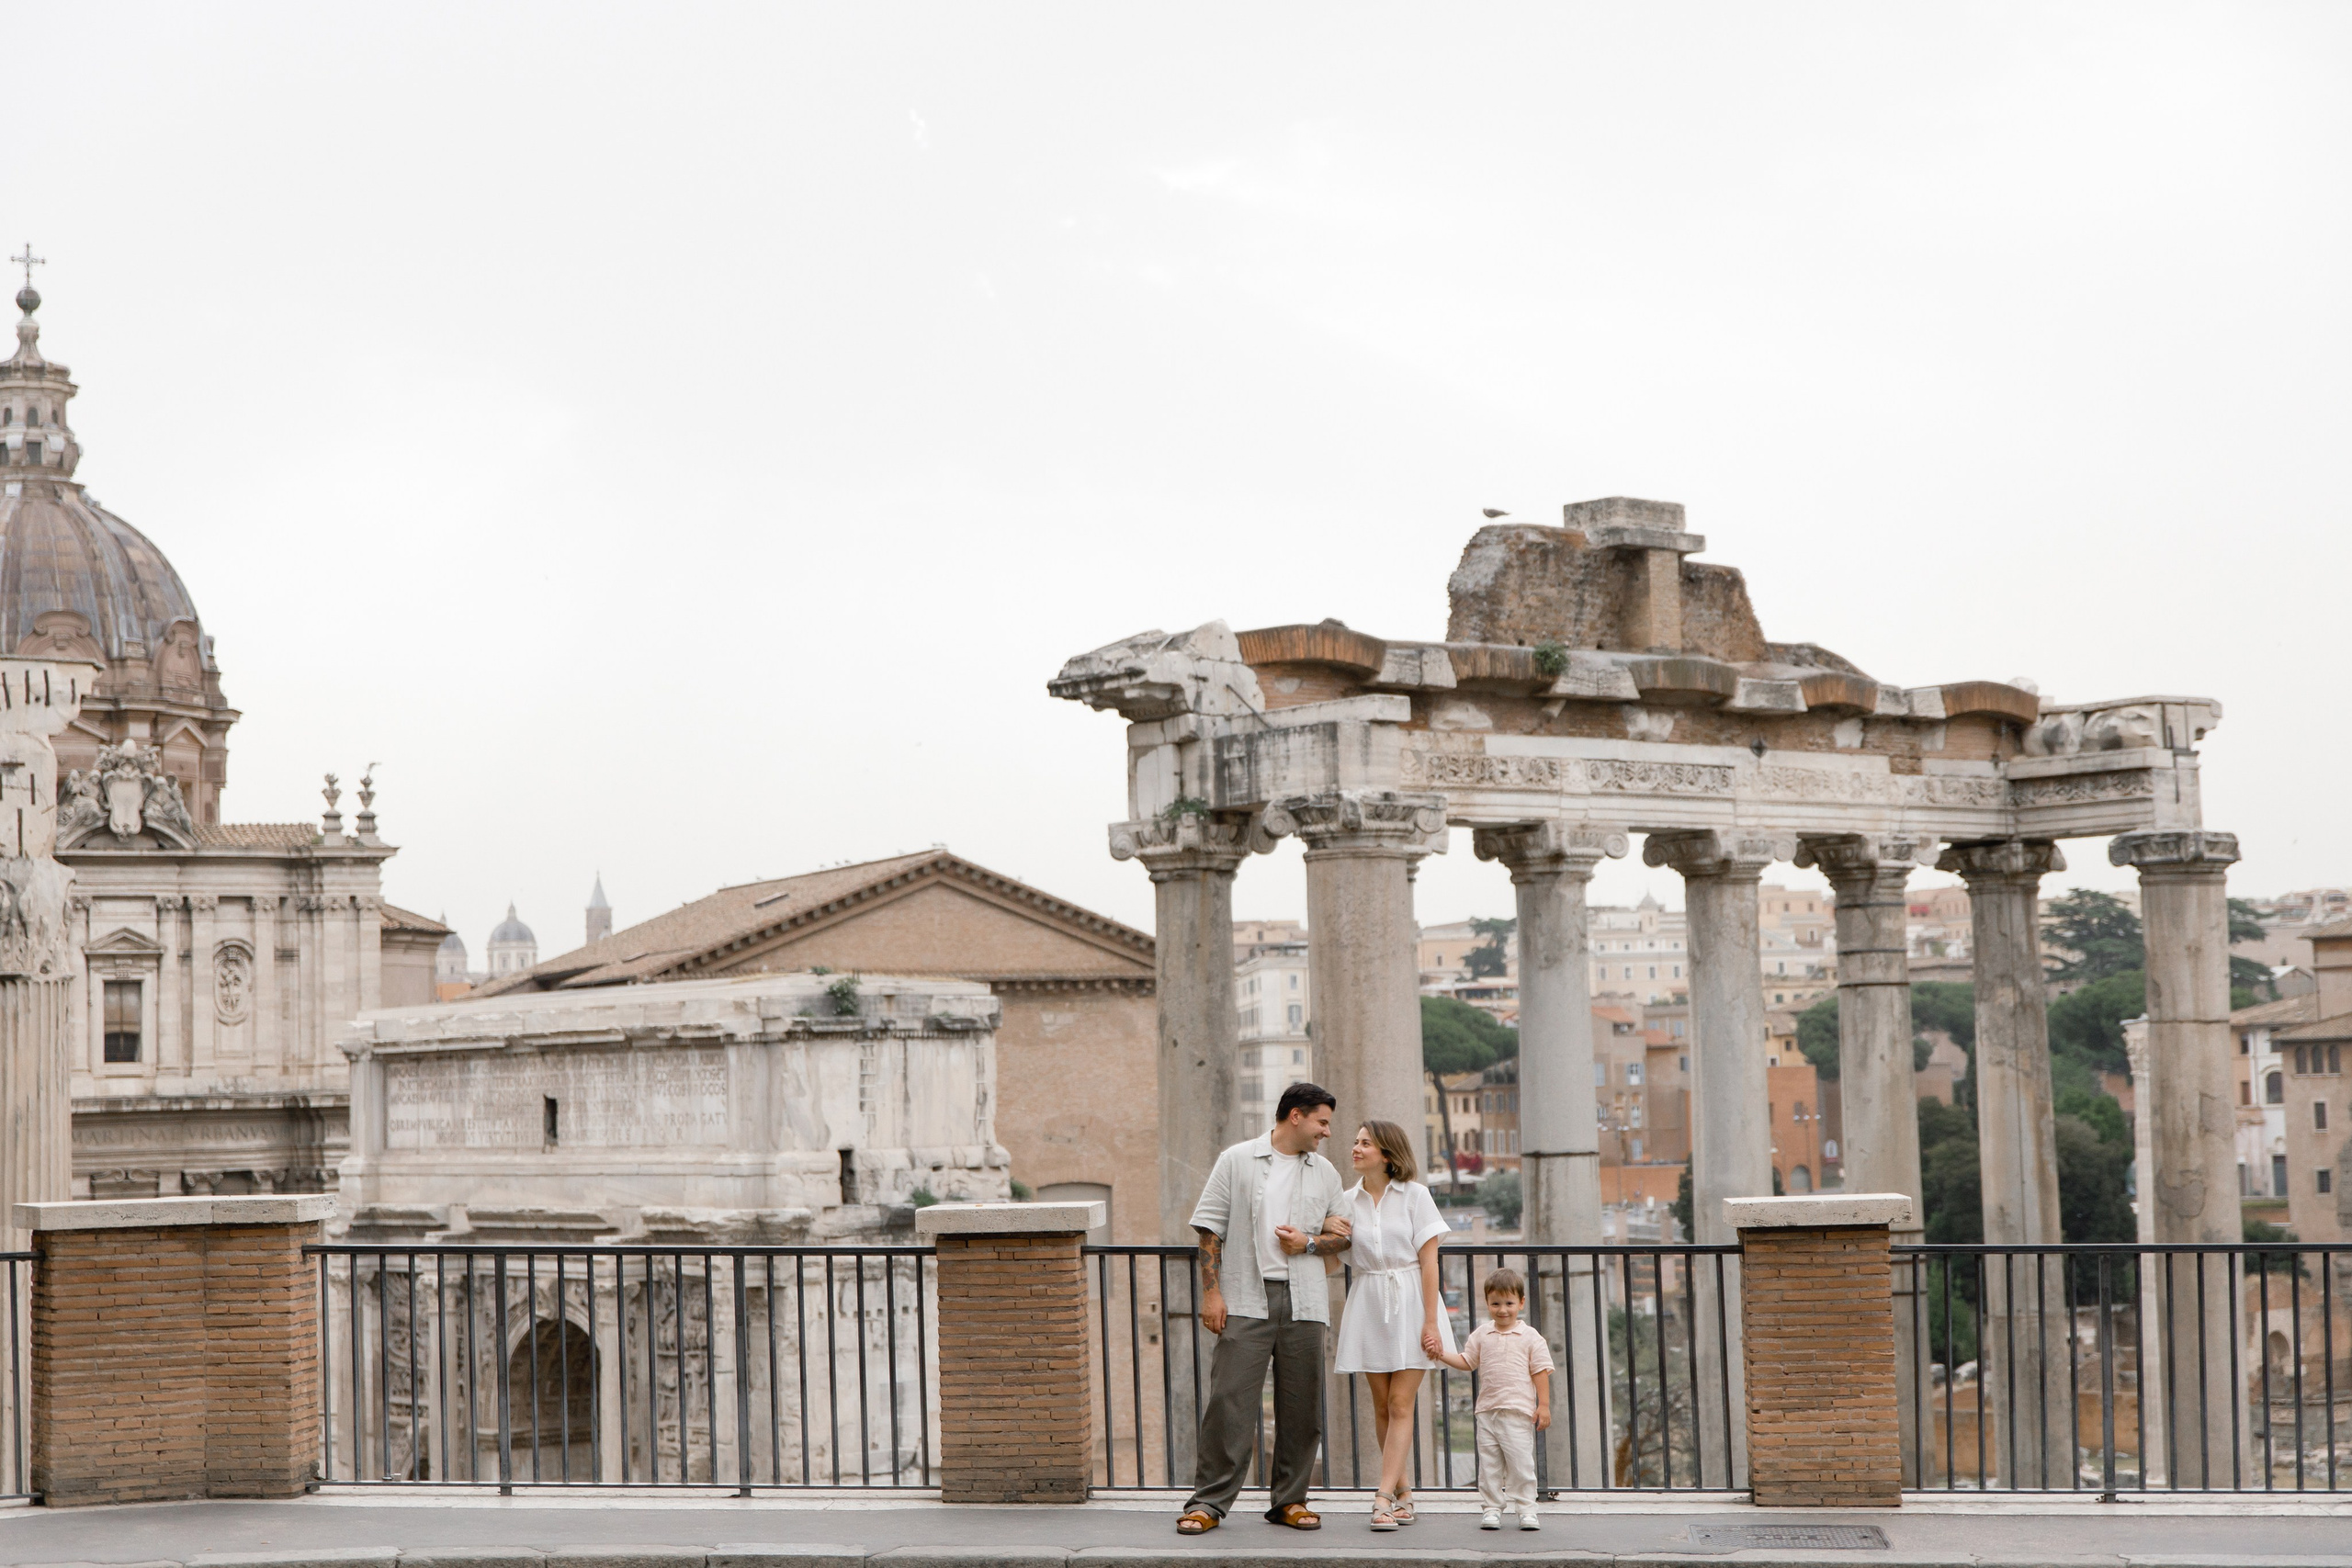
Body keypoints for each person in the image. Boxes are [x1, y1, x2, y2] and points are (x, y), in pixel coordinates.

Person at [1174, 1081, 1353, 1535]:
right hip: (1245, 1298)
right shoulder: (1236, 1160)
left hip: (1306, 1300)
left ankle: (1290, 1501)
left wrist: (1308, 1242)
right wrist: (1212, 1294)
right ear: (1296, 1115)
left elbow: (1343, 1237)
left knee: (1302, 1407)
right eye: (1322, 1122)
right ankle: (1208, 1503)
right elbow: (1209, 1230)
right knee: (1229, 1402)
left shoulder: (1326, 1173)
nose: (1327, 1131)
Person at [1331, 1119, 1454, 1530]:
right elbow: (1334, 1254)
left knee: (1402, 1403)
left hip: (1413, 1302)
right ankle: (1404, 1493)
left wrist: (1431, 1322)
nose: (1356, 1148)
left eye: (1365, 1143)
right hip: (1369, 1301)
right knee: (1382, 1405)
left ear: (1387, 1153)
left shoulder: (1416, 1196)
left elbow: (1429, 1262)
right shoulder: (1346, 1201)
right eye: (1356, 1141)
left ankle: (1381, 1497)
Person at [1431, 1267, 1554, 1530]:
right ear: (1487, 1303)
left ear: (1521, 1303)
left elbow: (1540, 1371)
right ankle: (1491, 1508)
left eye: (1509, 1303)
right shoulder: (1481, 1334)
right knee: (1489, 1465)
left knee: (1521, 1464)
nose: (1502, 1310)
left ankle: (1527, 1509)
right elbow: (1467, 1361)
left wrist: (1543, 1405)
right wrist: (1441, 1354)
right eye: (1495, 1303)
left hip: (1518, 1412)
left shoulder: (1531, 1337)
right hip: (1486, 1411)